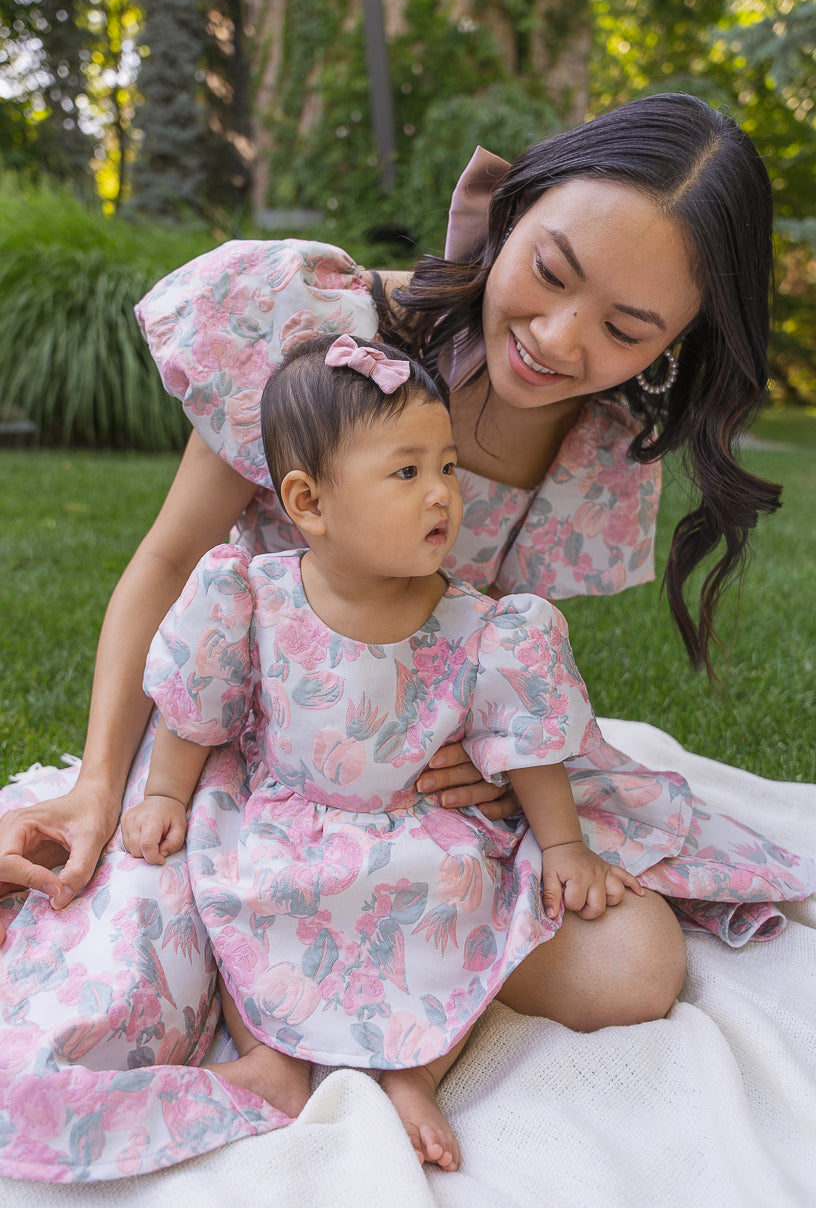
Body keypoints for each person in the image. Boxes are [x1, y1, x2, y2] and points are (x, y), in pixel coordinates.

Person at [0, 92, 813, 1181]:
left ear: (677, 343)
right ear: (507, 211)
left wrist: (495, 771)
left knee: (634, 966)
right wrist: (109, 781)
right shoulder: (320, 337)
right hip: (252, 744)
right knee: (133, 955)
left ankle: (370, 1008)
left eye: (627, 330)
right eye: (553, 273)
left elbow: (504, 659)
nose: (560, 340)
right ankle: (307, 1007)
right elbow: (165, 564)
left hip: (423, 784)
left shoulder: (598, 448)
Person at [120, 332, 641, 1170]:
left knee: (453, 911)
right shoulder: (252, 594)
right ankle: (279, 1057)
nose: (440, 495)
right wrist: (166, 797)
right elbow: (197, 706)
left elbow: (528, 741)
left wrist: (564, 843)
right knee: (255, 904)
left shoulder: (481, 625)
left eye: (446, 468)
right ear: (310, 501)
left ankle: (417, 1069)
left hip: (418, 830)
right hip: (292, 822)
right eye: (407, 473)